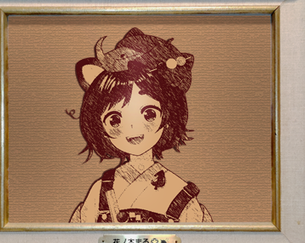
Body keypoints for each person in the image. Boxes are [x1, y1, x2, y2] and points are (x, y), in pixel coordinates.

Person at [69, 27, 212, 223]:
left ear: (168, 116)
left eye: (149, 114)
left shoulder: (182, 194)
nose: (133, 128)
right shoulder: (100, 190)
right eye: (115, 120)